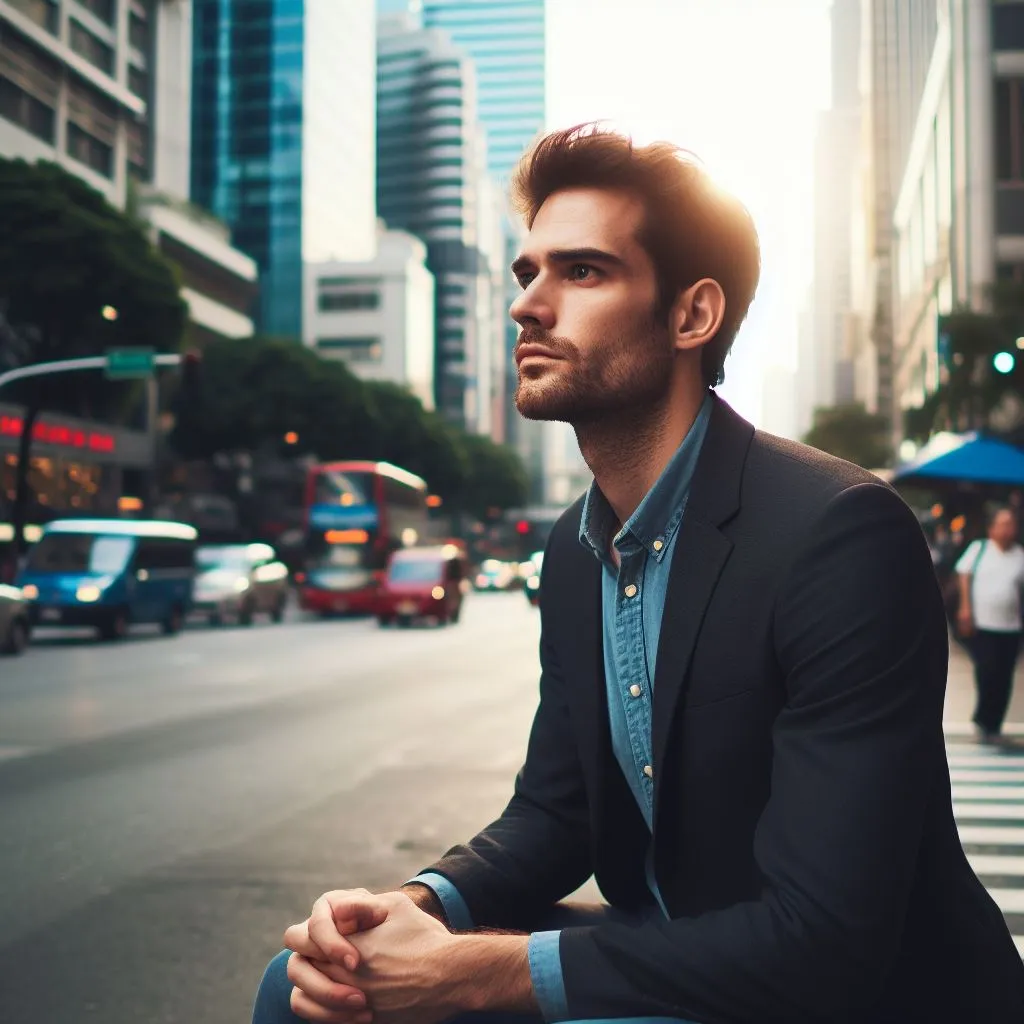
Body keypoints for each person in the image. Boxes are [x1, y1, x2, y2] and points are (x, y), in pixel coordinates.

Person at [253, 124, 1024, 1024]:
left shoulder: (840, 533)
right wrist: (417, 908)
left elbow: (826, 940)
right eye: (527, 273)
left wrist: (469, 972)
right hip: (679, 956)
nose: (528, 306)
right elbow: (556, 815)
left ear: (692, 316)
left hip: (855, 994)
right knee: (306, 983)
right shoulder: (574, 550)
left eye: (581, 272)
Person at [956, 506, 1024, 743]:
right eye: (1003, 524)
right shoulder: (979, 548)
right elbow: (963, 574)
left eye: (1011, 524)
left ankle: (993, 724)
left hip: (1011, 627)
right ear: (992, 528)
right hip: (983, 624)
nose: (1008, 529)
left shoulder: (1019, 555)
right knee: (987, 672)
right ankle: (982, 719)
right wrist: (966, 608)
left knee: (1004, 677)